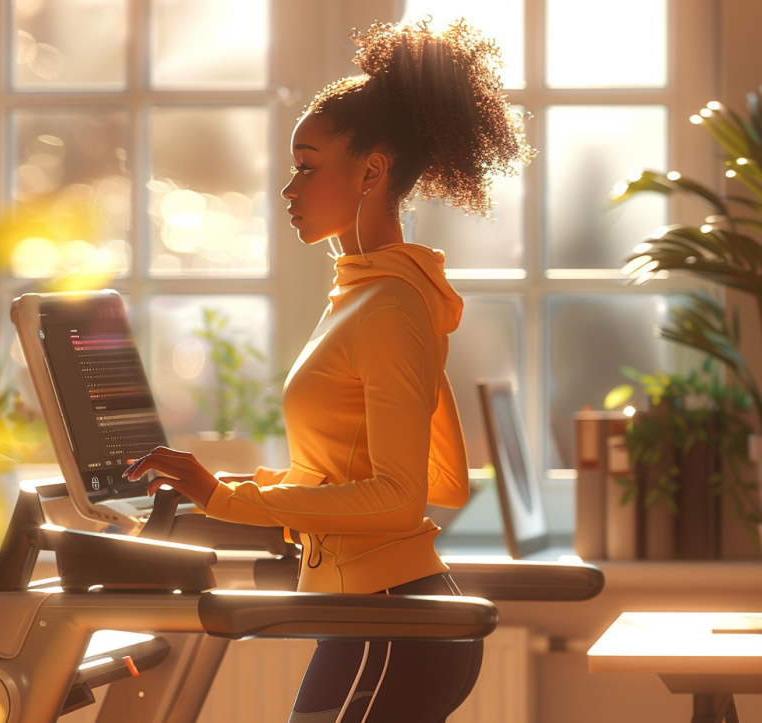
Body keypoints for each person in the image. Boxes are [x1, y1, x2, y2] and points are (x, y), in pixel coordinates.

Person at [123, 17, 534, 723]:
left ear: (371, 171)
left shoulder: (392, 305)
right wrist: (229, 488)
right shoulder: (363, 291)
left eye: (308, 165)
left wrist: (228, 501)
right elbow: (340, 472)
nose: (289, 188)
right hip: (367, 612)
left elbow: (400, 497)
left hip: (389, 620)